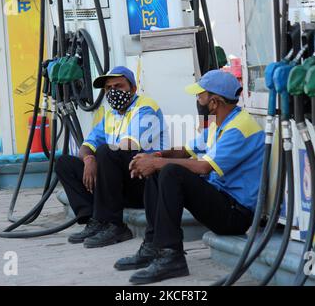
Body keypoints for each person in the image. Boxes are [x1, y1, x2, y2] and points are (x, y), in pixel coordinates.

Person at [114, 70, 265, 284]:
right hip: (220, 201)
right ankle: (153, 246)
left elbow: (203, 167)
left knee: (171, 171)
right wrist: (155, 156)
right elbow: (186, 151)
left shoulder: (239, 128)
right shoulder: (220, 124)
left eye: (200, 96)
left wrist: (158, 163)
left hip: (235, 214)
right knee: (161, 169)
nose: (198, 101)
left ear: (213, 102)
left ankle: (171, 256)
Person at [55, 66, 166, 248]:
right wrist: (89, 160)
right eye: (109, 88)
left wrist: (98, 158)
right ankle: (95, 220)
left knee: (107, 151)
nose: (113, 92)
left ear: (133, 88)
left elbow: (128, 145)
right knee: (64, 163)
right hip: (116, 183)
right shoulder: (111, 116)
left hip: (143, 183)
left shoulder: (146, 107)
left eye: (119, 86)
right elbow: (86, 146)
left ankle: (115, 225)